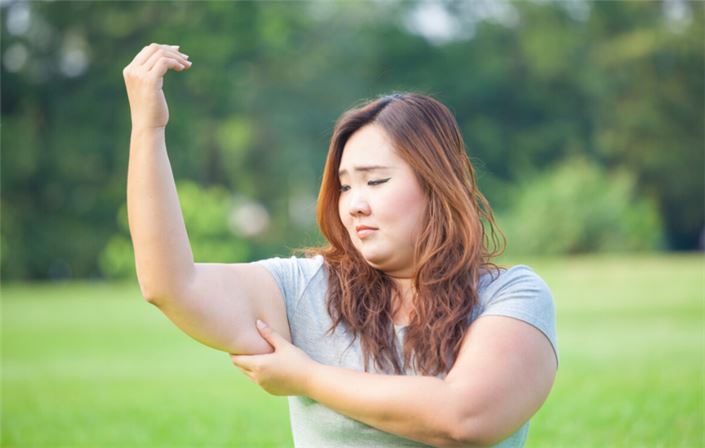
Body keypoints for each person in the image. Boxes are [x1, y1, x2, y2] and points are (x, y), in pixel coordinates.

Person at [123, 43, 559, 448]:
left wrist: (307, 377)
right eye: (346, 186)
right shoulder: (304, 288)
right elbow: (171, 285)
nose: (354, 205)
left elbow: (466, 419)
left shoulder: (510, 297)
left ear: (437, 186)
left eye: (376, 181)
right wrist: (148, 128)